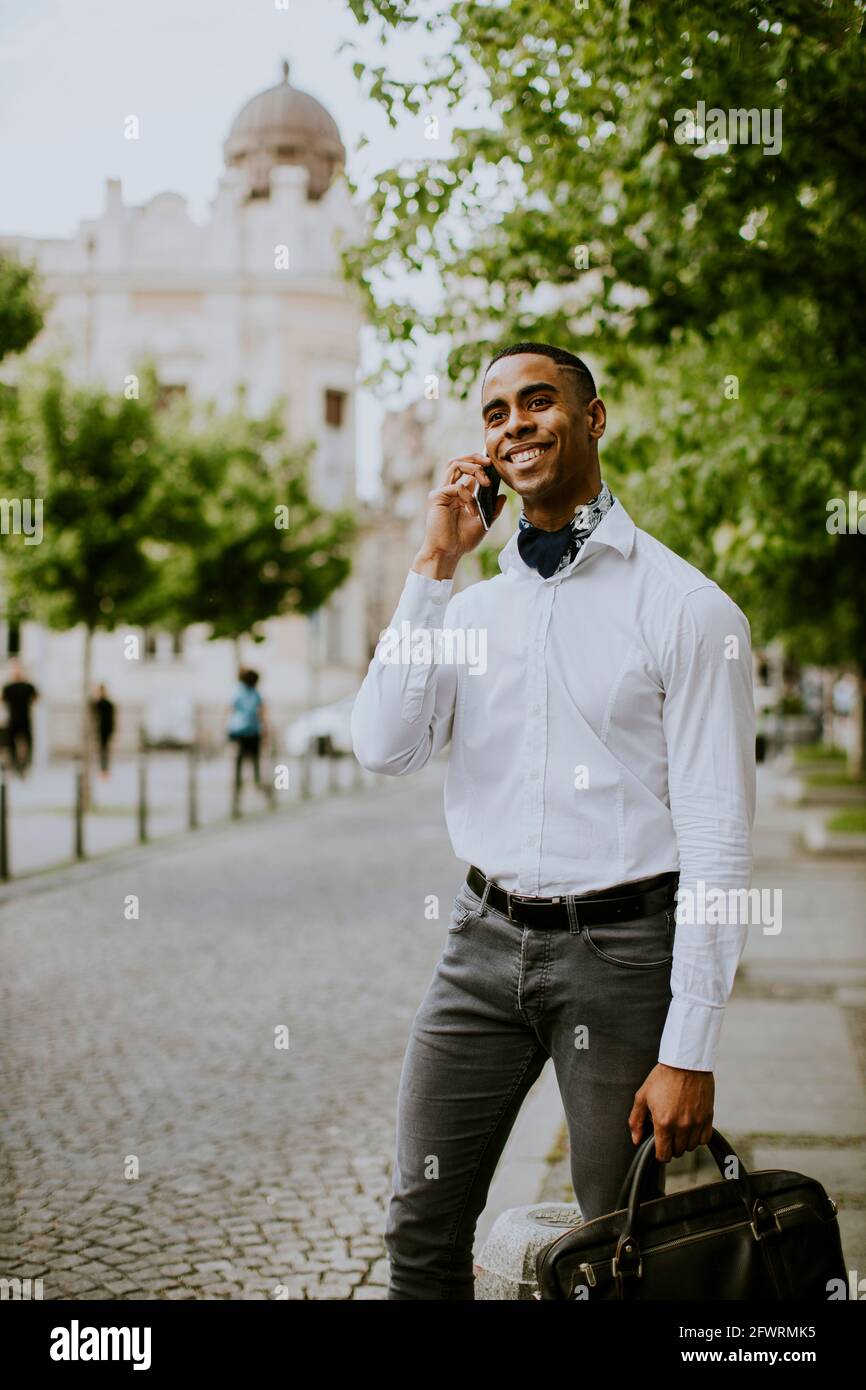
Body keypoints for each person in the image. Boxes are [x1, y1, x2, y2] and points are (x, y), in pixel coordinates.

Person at [351, 343, 756, 1300]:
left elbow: (719, 838)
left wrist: (689, 1046)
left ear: (595, 417)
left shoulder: (690, 610)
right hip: (480, 948)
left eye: (540, 402)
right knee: (419, 1229)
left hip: (622, 957)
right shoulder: (472, 608)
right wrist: (433, 562)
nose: (516, 424)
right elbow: (384, 744)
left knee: (628, 1254)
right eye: (496, 413)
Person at [227, 669, 269, 801]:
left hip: (237, 730)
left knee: (239, 757)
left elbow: (230, 709)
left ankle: (238, 781)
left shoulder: (238, 692)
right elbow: (261, 713)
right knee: (255, 756)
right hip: (252, 730)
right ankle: (256, 780)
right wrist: (265, 730)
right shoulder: (256, 694)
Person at [2, 661, 39, 776]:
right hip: (15, 718)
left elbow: (36, 697)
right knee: (13, 741)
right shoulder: (10, 687)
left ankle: (25, 763)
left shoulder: (26, 686)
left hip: (23, 718)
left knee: (27, 741)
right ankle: (16, 763)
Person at [91, 684, 116, 777]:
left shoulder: (105, 704)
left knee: (104, 750)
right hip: (102, 730)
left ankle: (104, 769)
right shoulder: (103, 703)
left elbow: (112, 719)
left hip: (104, 730)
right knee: (103, 750)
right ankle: (103, 769)